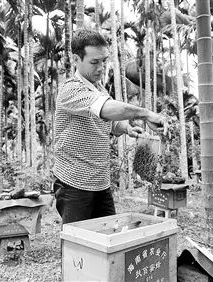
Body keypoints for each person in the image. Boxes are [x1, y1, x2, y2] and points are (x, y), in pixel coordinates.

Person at [52, 29, 169, 225]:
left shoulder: (99, 88)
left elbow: (109, 122)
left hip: (101, 183)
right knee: (77, 246)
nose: (101, 68)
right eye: (94, 62)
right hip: (74, 185)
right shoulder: (70, 89)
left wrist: (126, 128)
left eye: (104, 61)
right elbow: (105, 108)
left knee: (108, 239)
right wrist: (146, 113)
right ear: (75, 59)